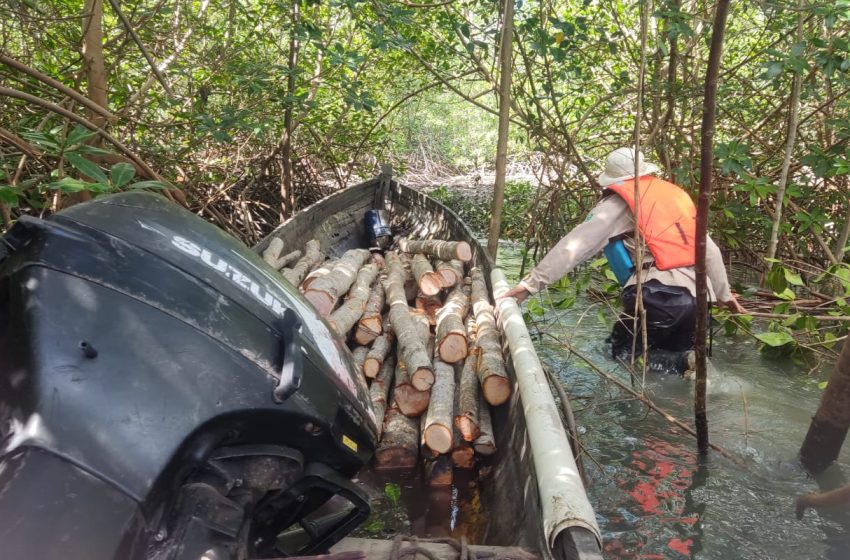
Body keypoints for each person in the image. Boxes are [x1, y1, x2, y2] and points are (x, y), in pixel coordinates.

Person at [500, 147, 745, 362]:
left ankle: (677, 364)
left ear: (613, 179)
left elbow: (575, 246)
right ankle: (681, 364)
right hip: (699, 300)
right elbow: (709, 251)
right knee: (673, 371)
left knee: (619, 356)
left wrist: (529, 285)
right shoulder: (675, 198)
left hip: (659, 297)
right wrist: (723, 295)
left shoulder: (619, 204)